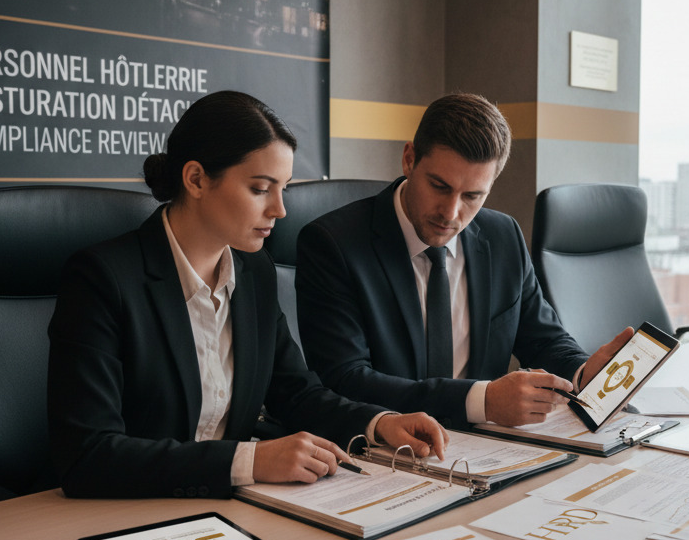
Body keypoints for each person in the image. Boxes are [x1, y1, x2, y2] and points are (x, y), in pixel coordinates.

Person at [47, 90, 447, 499]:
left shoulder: (254, 270)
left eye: (283, 190)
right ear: (197, 179)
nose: (280, 210)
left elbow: (295, 391)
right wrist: (248, 461)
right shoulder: (103, 279)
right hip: (129, 512)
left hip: (228, 507)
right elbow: (88, 455)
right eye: (260, 189)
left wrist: (377, 424)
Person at [295, 93, 634, 428]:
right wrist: (481, 401)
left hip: (488, 449)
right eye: (439, 186)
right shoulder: (333, 244)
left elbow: (544, 339)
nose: (451, 212)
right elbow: (346, 379)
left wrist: (585, 372)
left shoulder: (503, 236)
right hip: (384, 449)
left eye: (473, 196)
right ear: (410, 159)